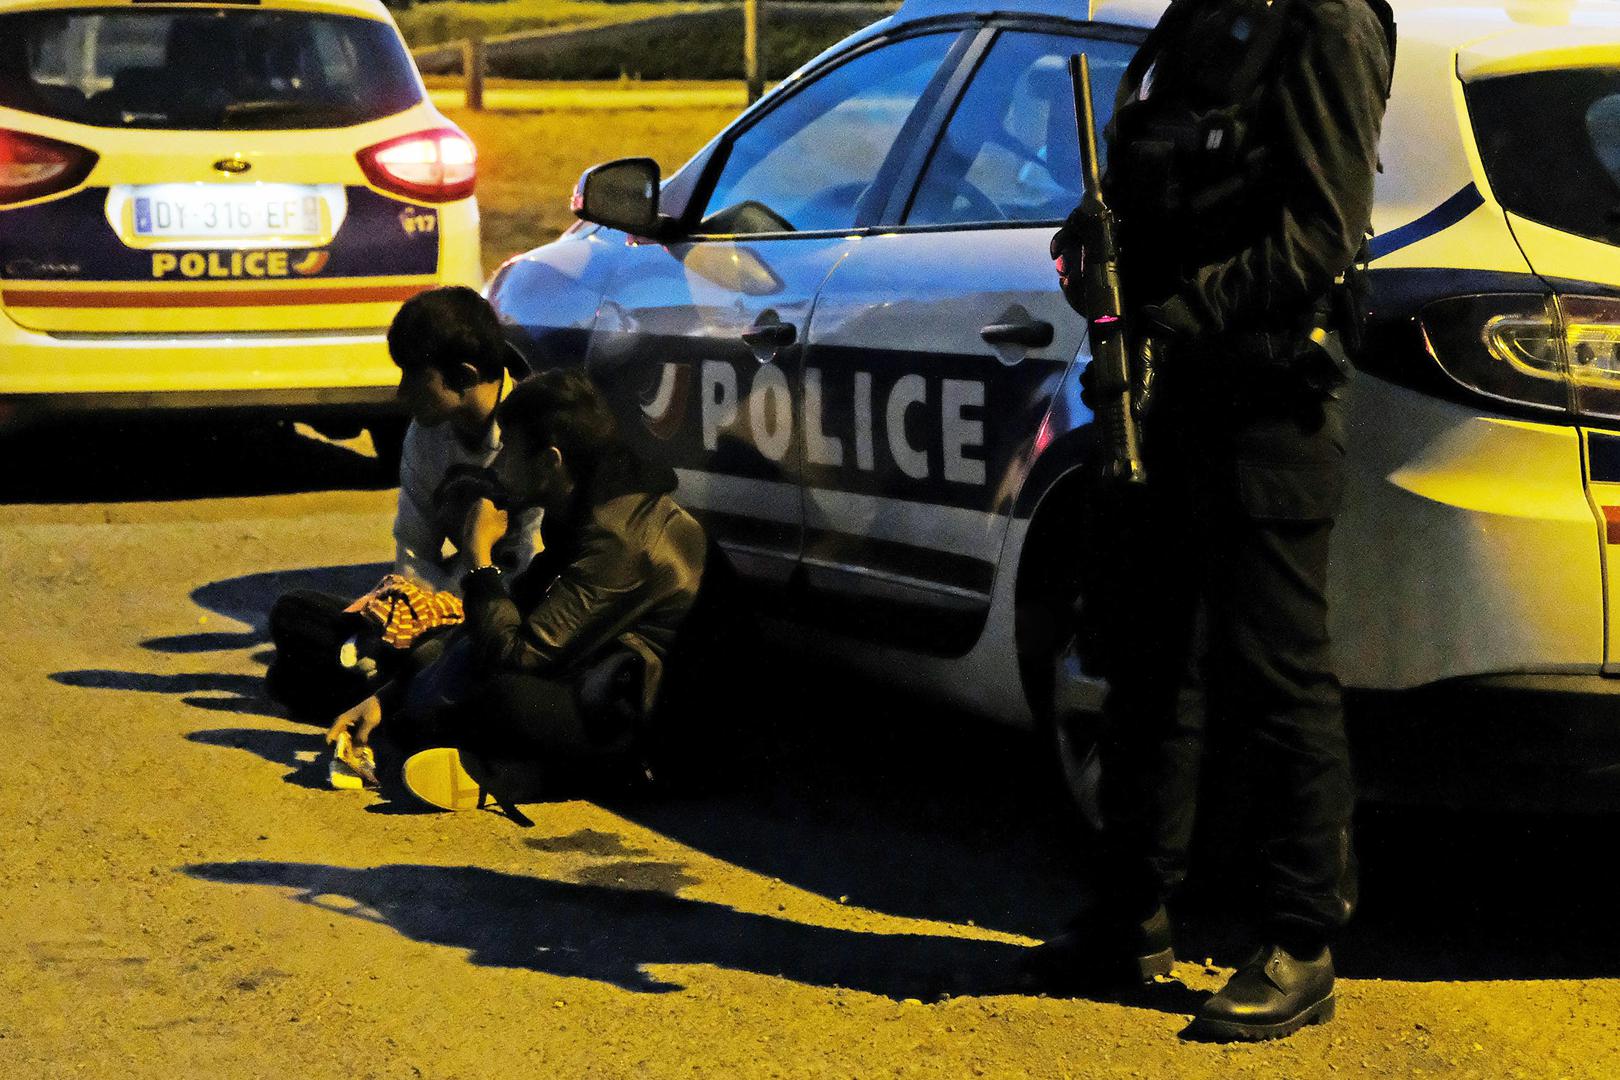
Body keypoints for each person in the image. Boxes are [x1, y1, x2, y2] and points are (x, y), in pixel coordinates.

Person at [1032, 0, 1395, 1042]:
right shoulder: (1199, 15)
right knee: (1147, 661)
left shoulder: (1324, 21)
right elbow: (1158, 183)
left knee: (1276, 675)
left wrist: (1185, 314)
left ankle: (1299, 941)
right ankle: (1130, 915)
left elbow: (1321, 231)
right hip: (1164, 396)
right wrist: (1091, 250)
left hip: (1267, 400)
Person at [325, 369, 729, 817]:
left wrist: (479, 558)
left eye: (510, 453)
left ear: (550, 462)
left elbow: (519, 656)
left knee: (502, 699)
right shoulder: (585, 508)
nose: (497, 469)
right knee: (431, 659)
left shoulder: (619, 538)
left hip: (661, 730)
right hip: (590, 678)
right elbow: (515, 615)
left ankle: (524, 774)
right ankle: (478, 757)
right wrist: (387, 696)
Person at [265, 286, 542, 722]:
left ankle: (379, 689)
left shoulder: (536, 432)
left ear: (465, 376)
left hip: (506, 618)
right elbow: (414, 548)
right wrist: (404, 617)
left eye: (415, 376)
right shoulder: (426, 433)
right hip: (446, 606)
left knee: (408, 660)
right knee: (294, 612)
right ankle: (383, 683)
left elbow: (529, 567)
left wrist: (443, 618)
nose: (401, 393)